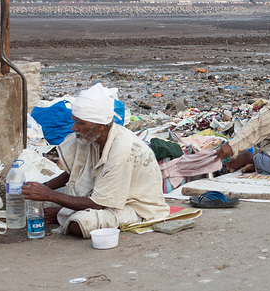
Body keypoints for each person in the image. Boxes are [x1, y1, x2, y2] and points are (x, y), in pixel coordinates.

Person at [21, 83, 170, 238]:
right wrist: (43, 187)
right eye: (74, 121)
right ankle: (62, 210)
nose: (74, 128)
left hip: (133, 206)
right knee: (30, 201)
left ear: (100, 126)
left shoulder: (122, 150)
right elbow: (75, 171)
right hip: (99, 193)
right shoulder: (90, 136)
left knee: (79, 224)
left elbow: (98, 204)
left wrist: (49, 196)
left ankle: (63, 213)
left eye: (80, 123)